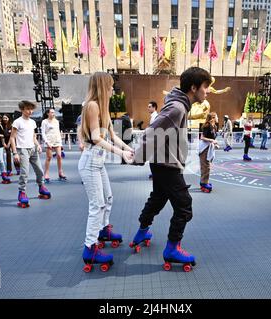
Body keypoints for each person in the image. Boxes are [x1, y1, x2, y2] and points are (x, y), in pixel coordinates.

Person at [130, 67, 212, 272]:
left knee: (158, 198)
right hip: (167, 166)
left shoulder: (179, 106)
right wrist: (138, 158)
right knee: (184, 206)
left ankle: (142, 232)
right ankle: (172, 248)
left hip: (163, 164)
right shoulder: (177, 108)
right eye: (205, 87)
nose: (208, 91)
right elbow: (152, 134)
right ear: (193, 88)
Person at [79, 72, 134, 272]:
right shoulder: (92, 106)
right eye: (110, 86)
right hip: (90, 163)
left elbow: (112, 136)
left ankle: (102, 231)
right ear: (102, 87)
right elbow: (96, 138)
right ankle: (89, 248)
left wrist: (128, 149)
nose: (113, 89)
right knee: (97, 205)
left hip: (98, 163)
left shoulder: (103, 108)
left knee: (108, 198)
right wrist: (121, 153)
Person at [10, 101, 51, 208]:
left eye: (31, 109)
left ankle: (41, 186)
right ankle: (22, 192)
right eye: (28, 109)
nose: (30, 111)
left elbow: (33, 136)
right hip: (22, 149)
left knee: (39, 170)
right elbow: (12, 138)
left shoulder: (32, 122)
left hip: (33, 148)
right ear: (22, 109)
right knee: (24, 172)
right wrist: (15, 153)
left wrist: (38, 145)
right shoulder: (17, 122)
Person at [41, 108, 66, 182]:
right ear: (47, 113)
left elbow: (58, 132)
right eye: (51, 112)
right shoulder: (44, 122)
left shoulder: (56, 121)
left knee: (59, 156)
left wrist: (60, 143)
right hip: (49, 141)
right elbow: (43, 133)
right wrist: (46, 142)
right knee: (49, 157)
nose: (53, 114)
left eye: (54, 112)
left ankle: (60, 172)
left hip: (57, 141)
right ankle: (46, 174)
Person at [199, 112, 220, 192]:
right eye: (217, 117)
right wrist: (212, 140)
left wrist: (215, 144)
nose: (218, 118)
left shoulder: (214, 126)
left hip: (209, 147)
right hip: (204, 148)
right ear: (213, 118)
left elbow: (212, 138)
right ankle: (204, 183)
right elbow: (202, 137)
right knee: (206, 166)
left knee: (207, 166)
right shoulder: (207, 126)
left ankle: (203, 182)